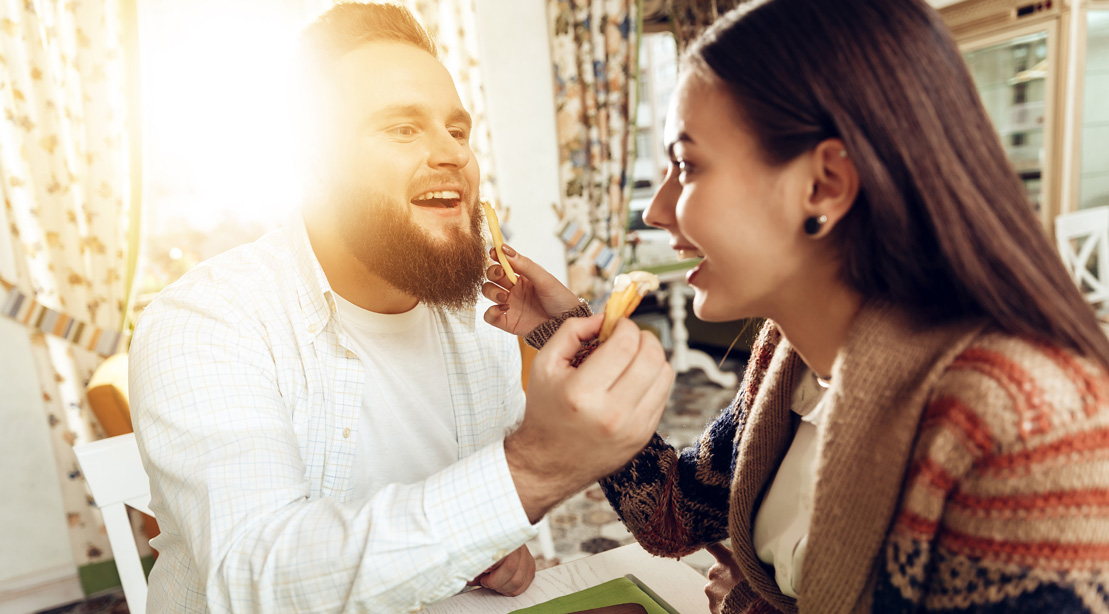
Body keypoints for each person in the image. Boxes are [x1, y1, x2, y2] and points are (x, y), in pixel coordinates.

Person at [482, 0, 1109, 612]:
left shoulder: (1026, 434)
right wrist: (556, 327)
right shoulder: (791, 359)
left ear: (824, 185)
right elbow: (675, 515)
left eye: (687, 165)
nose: (656, 210)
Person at [127, 3, 672, 612]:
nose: (454, 156)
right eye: (402, 128)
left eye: (457, 130)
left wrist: (495, 546)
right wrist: (532, 473)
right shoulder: (205, 321)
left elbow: (477, 524)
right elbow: (256, 579)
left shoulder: (481, 314)